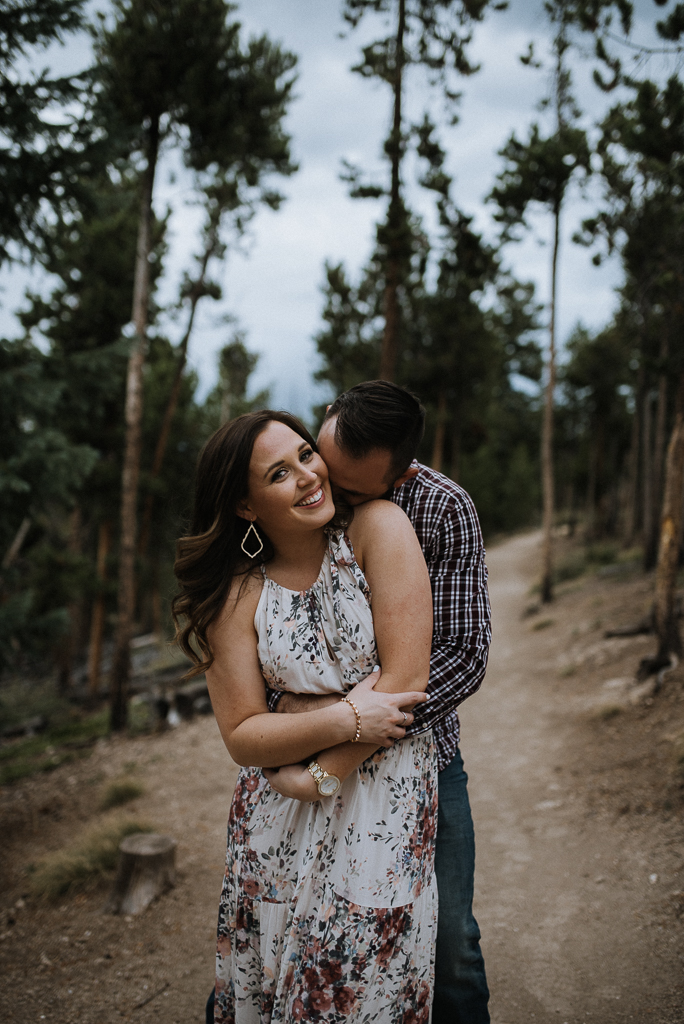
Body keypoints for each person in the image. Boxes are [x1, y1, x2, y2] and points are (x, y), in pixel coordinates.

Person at [173, 409, 439, 1023]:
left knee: (365, 989)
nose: (307, 476)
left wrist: (316, 772)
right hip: (275, 823)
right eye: (279, 473)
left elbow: (404, 682)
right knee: (277, 991)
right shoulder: (238, 592)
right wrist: (347, 715)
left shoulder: (377, 527)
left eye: (305, 454)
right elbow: (243, 735)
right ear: (245, 506)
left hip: (382, 805)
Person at [268, 382, 492, 1023]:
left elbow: (461, 657)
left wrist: (345, 735)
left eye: (354, 490)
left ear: (403, 473)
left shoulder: (441, 508)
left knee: (451, 947)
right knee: (280, 932)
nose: (322, 490)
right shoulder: (299, 482)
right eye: (319, 460)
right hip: (293, 767)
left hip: (422, 763)